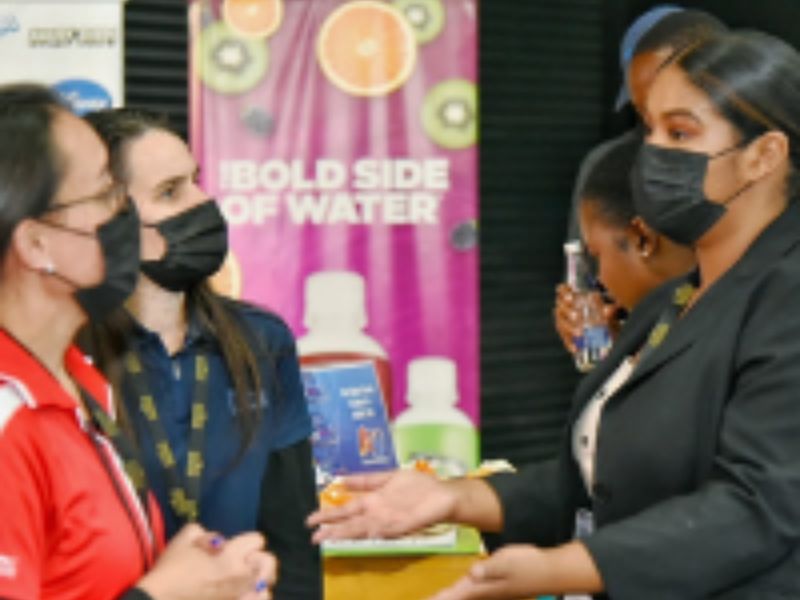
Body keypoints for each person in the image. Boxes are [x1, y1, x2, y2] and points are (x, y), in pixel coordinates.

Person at [308, 30, 800, 598]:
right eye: (649, 128)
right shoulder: (672, 301)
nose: (652, 151)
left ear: (764, 155)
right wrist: (454, 498)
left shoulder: (785, 297)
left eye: (680, 132)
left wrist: (563, 568)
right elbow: (596, 482)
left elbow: (758, 505)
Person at [0, 83, 276, 599]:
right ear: (37, 244)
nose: (123, 215)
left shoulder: (80, 384)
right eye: (106, 194)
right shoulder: (9, 418)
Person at [78, 108, 321, 600]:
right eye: (171, 192)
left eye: (196, 181)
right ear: (111, 222)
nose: (203, 203)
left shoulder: (262, 341)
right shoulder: (70, 359)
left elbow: (294, 539)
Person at [557, 7, 726, 356]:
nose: (658, 133)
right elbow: (589, 292)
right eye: (646, 110)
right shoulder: (610, 171)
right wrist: (603, 346)